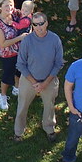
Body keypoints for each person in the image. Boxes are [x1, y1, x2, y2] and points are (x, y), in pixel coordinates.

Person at [14, 12, 64, 143]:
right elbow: (20, 64)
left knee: (49, 106)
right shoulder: (27, 41)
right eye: (35, 24)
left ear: (46, 23)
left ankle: (49, 128)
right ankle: (18, 131)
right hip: (29, 79)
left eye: (41, 23)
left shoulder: (55, 39)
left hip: (49, 80)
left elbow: (58, 63)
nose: (39, 27)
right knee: (22, 105)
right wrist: (35, 82)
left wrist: (45, 83)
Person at [0, 0, 28, 111]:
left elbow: (28, 18)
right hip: (8, 54)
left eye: (11, 4)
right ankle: (2, 95)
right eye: (6, 5)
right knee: (7, 76)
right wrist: (21, 38)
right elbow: (2, 43)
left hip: (21, 52)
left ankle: (16, 87)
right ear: (0, 7)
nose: (10, 7)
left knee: (19, 72)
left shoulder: (16, 14)